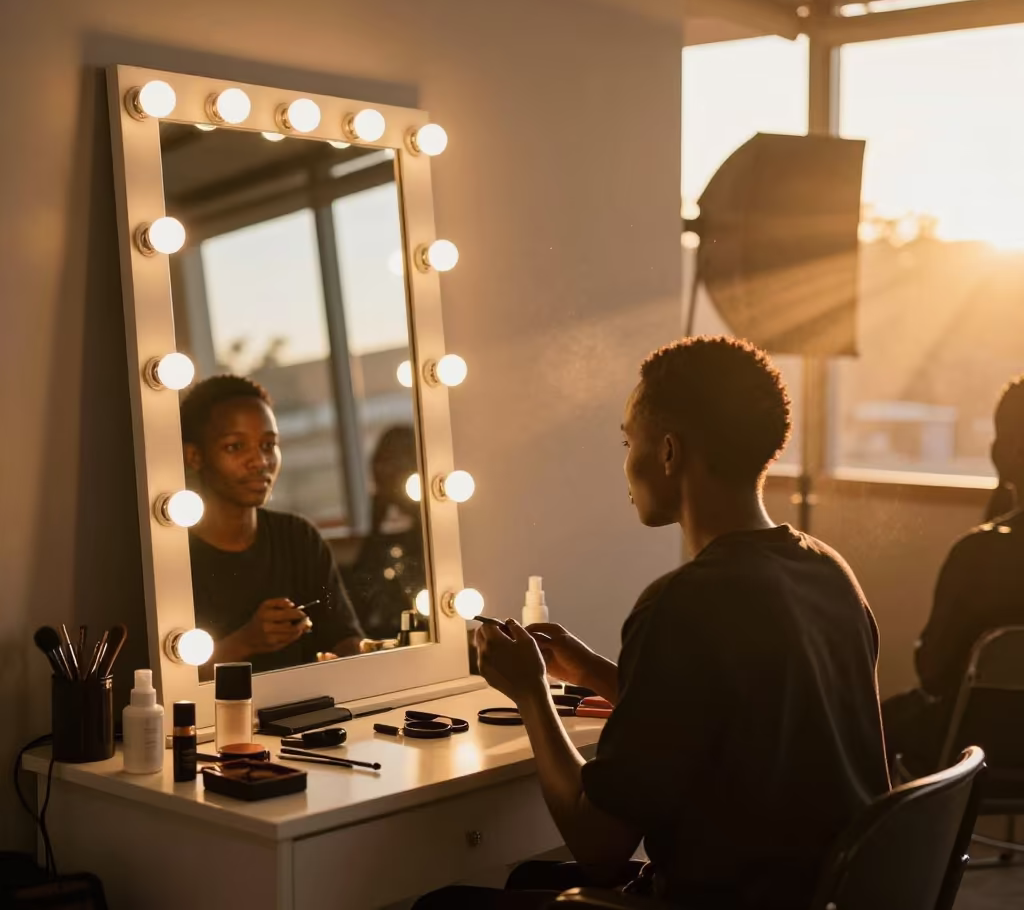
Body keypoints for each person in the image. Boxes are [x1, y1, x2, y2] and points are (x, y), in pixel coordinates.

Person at [414, 336, 890, 910]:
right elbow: (744, 718)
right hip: (821, 893)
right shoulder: (828, 572)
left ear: (668, 453)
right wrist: (593, 672)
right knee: (523, 885)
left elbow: (598, 848)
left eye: (626, 441)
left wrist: (530, 692)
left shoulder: (682, 605)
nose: (624, 463)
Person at [883, 375, 1024, 773]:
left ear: (1010, 451)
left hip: (974, 752)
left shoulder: (979, 553)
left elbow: (933, 674)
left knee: (858, 723)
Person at [180, 374, 363, 674]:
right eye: (235, 447)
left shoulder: (298, 538)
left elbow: (346, 639)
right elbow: (166, 679)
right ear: (194, 456)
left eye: (268, 444)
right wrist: (245, 642)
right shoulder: (174, 556)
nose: (260, 461)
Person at [342, 425, 427, 640]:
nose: (382, 470)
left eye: (392, 462)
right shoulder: (380, 525)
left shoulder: (425, 532)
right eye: (381, 462)